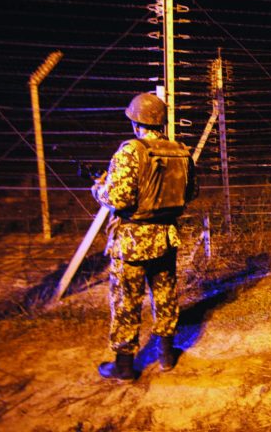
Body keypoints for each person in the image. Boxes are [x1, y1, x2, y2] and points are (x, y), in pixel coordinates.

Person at [92, 93, 197, 381]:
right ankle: (166, 356)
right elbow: (191, 193)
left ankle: (124, 367)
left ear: (136, 121)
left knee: (127, 301)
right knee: (165, 296)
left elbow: (119, 198)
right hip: (165, 236)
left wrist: (98, 189)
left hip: (133, 241)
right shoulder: (180, 151)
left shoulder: (130, 151)